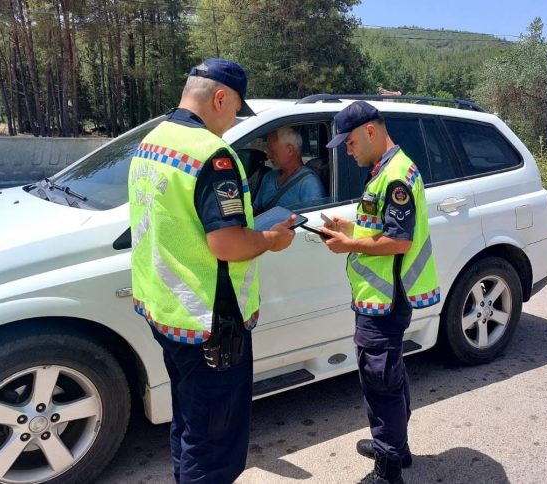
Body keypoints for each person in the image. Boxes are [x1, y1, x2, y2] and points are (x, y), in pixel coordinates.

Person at [128, 58, 296, 484]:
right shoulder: (214, 156)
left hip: (165, 311)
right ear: (220, 98)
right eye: (236, 109)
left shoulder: (151, 142)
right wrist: (272, 240)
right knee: (215, 444)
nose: (233, 121)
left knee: (187, 422)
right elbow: (228, 243)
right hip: (211, 324)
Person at [320, 101, 440, 484]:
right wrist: (349, 228)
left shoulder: (396, 176)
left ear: (370, 131)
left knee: (380, 379)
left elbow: (398, 242)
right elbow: (381, 226)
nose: (348, 150)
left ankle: (388, 469)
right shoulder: (386, 170)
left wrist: (348, 245)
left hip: (387, 298)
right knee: (389, 373)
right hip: (380, 295)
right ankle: (396, 447)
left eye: (350, 142)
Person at [253, 126, 326, 212]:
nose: (268, 155)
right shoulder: (269, 176)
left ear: (290, 150)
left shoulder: (309, 184)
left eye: (272, 151)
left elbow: (313, 220)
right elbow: (255, 211)